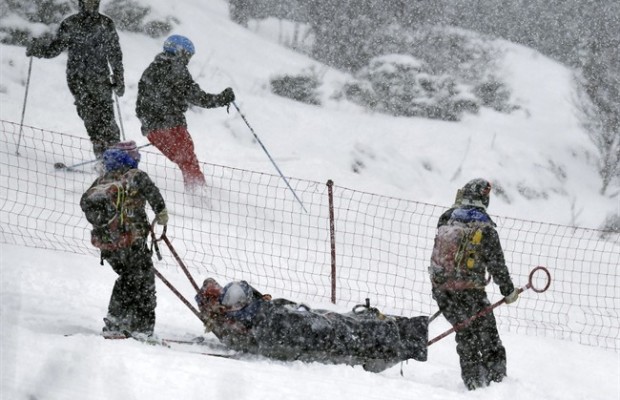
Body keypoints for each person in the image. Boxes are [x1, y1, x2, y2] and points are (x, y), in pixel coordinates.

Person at [194, 278, 428, 372]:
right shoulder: (250, 323)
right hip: (309, 329)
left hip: (311, 328)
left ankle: (403, 333)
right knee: (350, 327)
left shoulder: (260, 323)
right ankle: (402, 333)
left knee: (350, 327)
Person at [428, 178, 519, 390]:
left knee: (466, 335)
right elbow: (497, 265)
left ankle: (473, 384)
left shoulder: (447, 219)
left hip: (442, 290)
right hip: (470, 292)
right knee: (489, 338)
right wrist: (508, 292)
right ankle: (497, 385)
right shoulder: (484, 226)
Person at [80, 141, 168, 339]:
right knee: (143, 282)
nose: (137, 158)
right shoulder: (135, 176)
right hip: (131, 241)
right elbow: (153, 193)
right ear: (128, 158)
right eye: (135, 155)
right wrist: (161, 213)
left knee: (129, 278)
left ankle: (121, 321)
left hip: (108, 245)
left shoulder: (101, 181)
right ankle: (140, 327)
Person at [25, 0, 124, 160]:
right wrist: (38, 50)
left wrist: (119, 77)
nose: (90, 4)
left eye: (93, 1)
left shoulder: (106, 23)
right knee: (92, 120)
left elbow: (115, 53)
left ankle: (115, 158)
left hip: (100, 79)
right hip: (78, 80)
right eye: (87, 1)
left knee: (107, 119)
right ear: (81, 3)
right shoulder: (71, 23)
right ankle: (104, 158)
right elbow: (55, 49)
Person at [136, 34, 235, 192]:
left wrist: (149, 125)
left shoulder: (152, 68)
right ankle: (198, 195)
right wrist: (221, 99)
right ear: (179, 52)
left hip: (152, 129)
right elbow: (197, 97)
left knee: (185, 161)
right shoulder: (176, 69)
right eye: (187, 55)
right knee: (188, 160)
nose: (188, 60)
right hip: (170, 126)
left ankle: (196, 192)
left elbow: (140, 103)